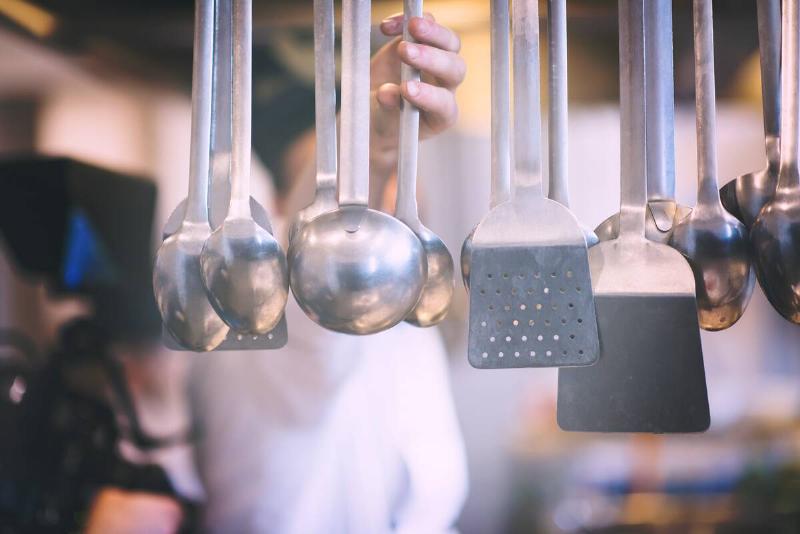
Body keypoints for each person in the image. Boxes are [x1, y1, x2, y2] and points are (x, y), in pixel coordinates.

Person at [189, 11, 467, 534]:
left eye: (391, 188)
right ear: (282, 222)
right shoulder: (255, 327)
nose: (373, 218)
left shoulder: (407, 326)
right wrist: (373, 143)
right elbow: (313, 313)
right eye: (340, 208)